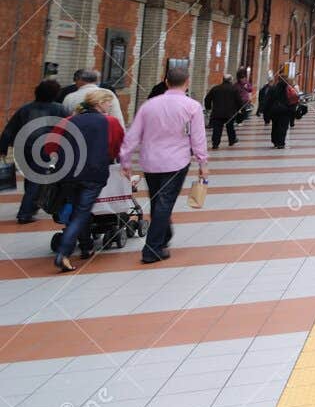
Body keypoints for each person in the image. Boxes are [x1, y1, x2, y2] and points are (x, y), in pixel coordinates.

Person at [119, 68, 206, 265]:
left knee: (157, 199)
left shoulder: (149, 105)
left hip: (150, 161)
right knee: (164, 202)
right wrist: (203, 163)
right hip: (177, 161)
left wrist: (125, 160)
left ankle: (165, 235)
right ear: (187, 82)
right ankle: (152, 248)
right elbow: (198, 138)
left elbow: (133, 135)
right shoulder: (192, 106)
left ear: (166, 82)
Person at [44, 88, 124, 272]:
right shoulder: (110, 122)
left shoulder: (68, 121)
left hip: (68, 174)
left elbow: (50, 147)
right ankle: (63, 253)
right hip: (93, 174)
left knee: (77, 210)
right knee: (82, 212)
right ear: (99, 104)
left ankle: (86, 245)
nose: (110, 105)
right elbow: (118, 147)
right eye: (108, 102)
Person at [0, 80, 70, 224]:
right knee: (36, 180)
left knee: (30, 178)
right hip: (45, 148)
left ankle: (31, 206)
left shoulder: (25, 108)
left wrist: (3, 148)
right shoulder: (60, 109)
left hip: (23, 148)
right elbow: (68, 130)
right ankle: (25, 213)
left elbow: (9, 129)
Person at [203, 74, 244, 149]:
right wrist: (240, 109)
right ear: (230, 80)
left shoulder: (215, 88)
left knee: (217, 129)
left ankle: (215, 143)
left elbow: (207, 99)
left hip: (217, 113)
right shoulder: (234, 89)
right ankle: (232, 140)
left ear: (223, 80)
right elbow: (239, 101)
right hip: (230, 113)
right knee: (230, 127)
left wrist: (208, 107)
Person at [260, 68, 296, 149]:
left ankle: (275, 141)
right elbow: (293, 100)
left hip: (275, 111)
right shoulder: (289, 89)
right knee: (283, 127)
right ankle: (281, 143)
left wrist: (265, 111)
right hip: (286, 111)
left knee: (275, 126)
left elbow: (268, 101)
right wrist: (292, 110)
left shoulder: (273, 88)